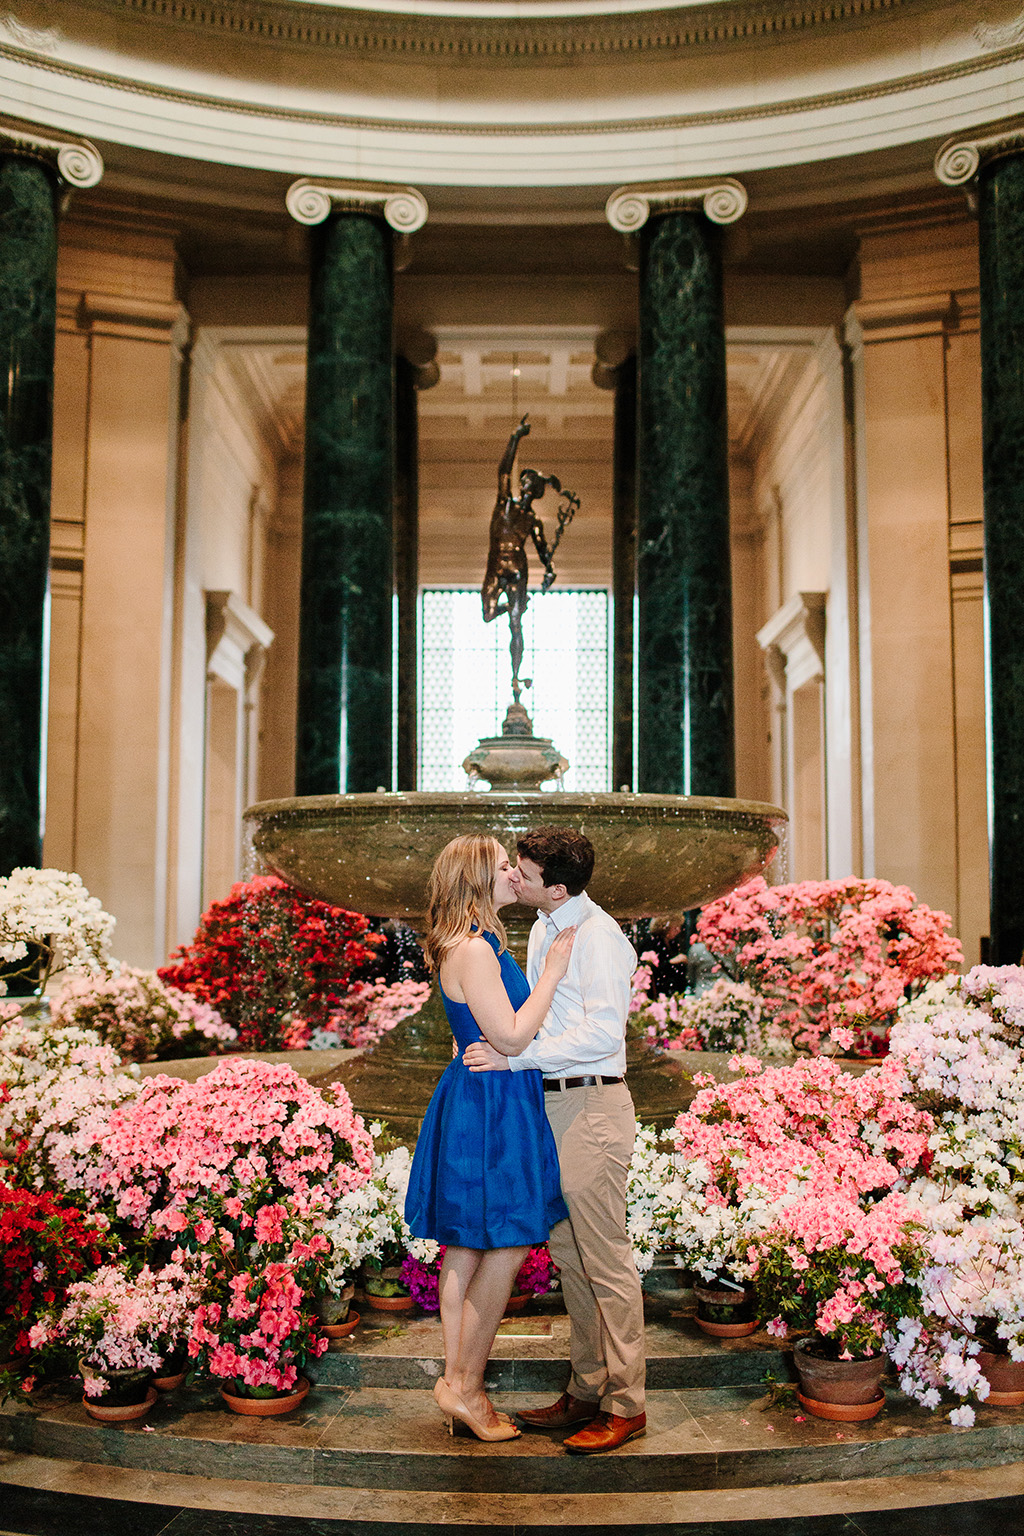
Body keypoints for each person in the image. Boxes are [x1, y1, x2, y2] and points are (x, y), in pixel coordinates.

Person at [463, 826, 646, 1455]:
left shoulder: (598, 938)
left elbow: (601, 1034)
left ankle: (627, 1404)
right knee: (571, 1258)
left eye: (525, 869)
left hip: (592, 1104)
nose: (515, 875)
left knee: (608, 1263)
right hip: (553, 1105)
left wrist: (517, 1059)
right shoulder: (544, 927)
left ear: (557, 886)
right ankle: (587, 1389)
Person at [404, 833, 575, 1443]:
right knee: (505, 1242)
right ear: (478, 880)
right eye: (503, 865)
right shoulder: (475, 950)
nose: (513, 871)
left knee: (466, 1248)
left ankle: (459, 1385)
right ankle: (466, 1387)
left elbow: (470, 1030)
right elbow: (510, 1037)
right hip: (491, 1105)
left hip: (477, 1097)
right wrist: (553, 972)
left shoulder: (463, 945)